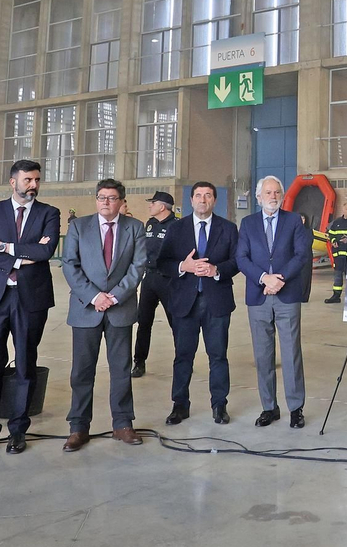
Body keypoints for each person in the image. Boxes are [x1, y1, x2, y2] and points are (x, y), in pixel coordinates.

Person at [0, 159, 61, 457]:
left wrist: (5, 247)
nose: (33, 185)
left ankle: (18, 429)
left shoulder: (50, 213)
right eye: (27, 180)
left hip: (30, 298)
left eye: (36, 180)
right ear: (13, 182)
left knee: (25, 363)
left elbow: (46, 251)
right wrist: (22, 257)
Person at [60, 179, 148, 452]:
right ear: (96, 200)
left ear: (122, 202)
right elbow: (70, 265)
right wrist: (95, 296)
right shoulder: (78, 226)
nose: (106, 202)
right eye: (102, 197)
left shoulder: (135, 228)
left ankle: (122, 424)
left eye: (112, 198)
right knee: (82, 372)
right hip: (87, 309)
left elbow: (138, 266)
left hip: (120, 309)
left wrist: (115, 296)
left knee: (121, 369)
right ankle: (78, 427)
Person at [158, 181, 241, 425]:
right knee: (183, 356)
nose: (202, 200)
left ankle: (219, 405)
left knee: (218, 356)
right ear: (191, 200)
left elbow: (237, 262)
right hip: (185, 303)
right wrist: (184, 266)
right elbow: (163, 263)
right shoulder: (176, 229)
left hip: (217, 302)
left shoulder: (228, 228)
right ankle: (180, 405)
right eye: (198, 195)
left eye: (207, 196)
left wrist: (216, 270)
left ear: (214, 200)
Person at [236, 176, 311, 428]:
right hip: (258, 297)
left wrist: (280, 279)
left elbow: (302, 254)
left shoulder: (293, 221)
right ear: (259, 198)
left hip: (286, 294)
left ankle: (295, 408)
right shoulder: (247, 223)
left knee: (291, 354)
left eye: (277, 192)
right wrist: (263, 278)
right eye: (268, 192)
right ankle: (269, 407)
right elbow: (241, 257)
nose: (273, 196)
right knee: (263, 355)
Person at [132, 190, 176, 377]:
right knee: (144, 322)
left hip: (168, 280)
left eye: (153, 203)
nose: (150, 205)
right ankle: (139, 362)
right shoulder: (149, 224)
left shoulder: (177, 226)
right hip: (149, 279)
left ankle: (182, 360)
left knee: (177, 322)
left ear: (162, 206)